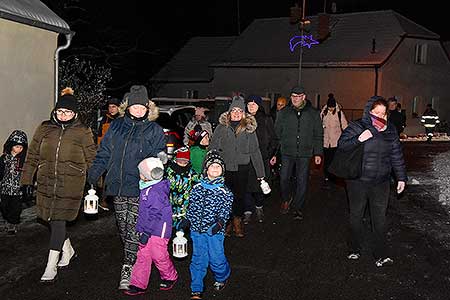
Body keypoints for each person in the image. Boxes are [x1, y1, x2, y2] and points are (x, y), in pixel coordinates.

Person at [87, 85, 167, 290]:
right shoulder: (116, 127)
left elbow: (159, 156)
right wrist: (93, 174)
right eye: (135, 106)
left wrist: (158, 164)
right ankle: (137, 258)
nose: (138, 110)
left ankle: (129, 266)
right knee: (123, 228)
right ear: (128, 107)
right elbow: (104, 152)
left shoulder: (154, 130)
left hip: (141, 188)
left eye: (142, 107)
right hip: (117, 185)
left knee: (134, 228)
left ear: (148, 108)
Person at [20, 87, 97, 283]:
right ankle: (68, 250)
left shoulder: (82, 131)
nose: (63, 115)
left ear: (75, 114)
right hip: (46, 181)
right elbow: (32, 156)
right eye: (60, 111)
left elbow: (92, 158)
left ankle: (51, 265)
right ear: (55, 111)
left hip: (71, 183)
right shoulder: (44, 128)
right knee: (51, 219)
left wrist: (95, 182)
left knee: (59, 221)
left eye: (68, 112)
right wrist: (27, 180)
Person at [338, 96, 407, 267]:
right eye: (377, 113)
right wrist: (360, 139)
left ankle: (381, 254)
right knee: (356, 217)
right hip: (358, 182)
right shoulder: (357, 126)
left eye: (383, 114)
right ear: (369, 112)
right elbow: (342, 145)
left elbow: (396, 155)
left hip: (381, 182)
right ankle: (354, 249)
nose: (380, 117)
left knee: (380, 220)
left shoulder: (390, 130)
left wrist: (401, 177)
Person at [209, 96, 264, 237]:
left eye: (240, 110)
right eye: (234, 110)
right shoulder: (221, 128)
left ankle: (237, 221)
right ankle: (226, 223)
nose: (236, 113)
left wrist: (260, 173)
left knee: (239, 197)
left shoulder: (248, 129)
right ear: (229, 112)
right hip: (225, 168)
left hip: (242, 168)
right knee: (225, 197)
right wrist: (207, 168)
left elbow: (255, 150)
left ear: (244, 113)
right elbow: (213, 147)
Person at [124, 157, 178, 296]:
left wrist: (146, 232)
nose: (139, 175)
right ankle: (138, 283)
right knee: (143, 255)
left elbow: (155, 215)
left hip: (159, 230)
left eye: (141, 173)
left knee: (159, 255)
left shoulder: (155, 192)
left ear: (149, 175)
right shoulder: (148, 187)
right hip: (147, 228)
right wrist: (141, 228)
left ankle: (170, 276)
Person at [186, 150, 233, 300]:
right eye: (212, 165)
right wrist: (187, 219)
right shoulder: (197, 188)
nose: (215, 168)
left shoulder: (224, 191)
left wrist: (219, 223)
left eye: (218, 166)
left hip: (214, 232)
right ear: (206, 169)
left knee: (216, 258)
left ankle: (222, 276)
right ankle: (196, 288)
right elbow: (191, 206)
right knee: (198, 258)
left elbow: (226, 211)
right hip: (196, 231)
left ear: (222, 171)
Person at [275, 86, 323, 220]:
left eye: (298, 96)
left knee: (302, 181)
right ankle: (286, 199)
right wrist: (281, 143)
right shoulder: (284, 112)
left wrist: (318, 153)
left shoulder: (313, 113)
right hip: (287, 151)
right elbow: (277, 131)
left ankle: (298, 207)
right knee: (284, 178)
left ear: (304, 97)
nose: (295, 99)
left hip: (305, 153)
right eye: (293, 96)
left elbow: (318, 134)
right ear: (290, 97)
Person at [243, 95, 278, 224]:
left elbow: (274, 139)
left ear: (259, 106)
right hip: (245, 159)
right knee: (246, 186)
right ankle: (247, 211)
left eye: (254, 104)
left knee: (260, 186)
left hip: (261, 158)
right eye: (249, 104)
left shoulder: (266, 119)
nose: (251, 106)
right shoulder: (242, 119)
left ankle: (259, 207)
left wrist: (270, 154)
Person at [0, 130, 28, 235]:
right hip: (5, 188)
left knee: (16, 208)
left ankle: (12, 223)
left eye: (21, 147)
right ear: (11, 145)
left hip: (17, 190)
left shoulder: (23, 160)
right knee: (4, 206)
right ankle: (7, 219)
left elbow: (27, 173)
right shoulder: (4, 158)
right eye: (17, 147)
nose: (19, 149)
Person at [165, 147, 199, 232]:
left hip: (185, 202)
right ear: (176, 159)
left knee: (183, 224)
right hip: (171, 201)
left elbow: (198, 181)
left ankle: (182, 233)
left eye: (185, 161)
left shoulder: (191, 172)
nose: (183, 163)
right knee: (171, 223)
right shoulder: (169, 171)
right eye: (180, 160)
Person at [97, 97, 121, 210]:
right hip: (106, 153)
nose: (111, 109)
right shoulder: (105, 120)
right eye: (109, 107)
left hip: (118, 154)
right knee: (105, 178)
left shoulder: (122, 120)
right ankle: (104, 200)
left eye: (114, 107)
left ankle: (116, 200)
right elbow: (99, 136)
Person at [320, 94, 348, 182]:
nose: (331, 109)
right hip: (325, 142)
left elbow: (345, 126)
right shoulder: (323, 113)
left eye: (332, 107)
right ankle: (326, 175)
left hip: (335, 142)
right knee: (327, 160)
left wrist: (347, 136)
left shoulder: (339, 113)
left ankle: (333, 175)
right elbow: (319, 125)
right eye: (329, 108)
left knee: (334, 160)